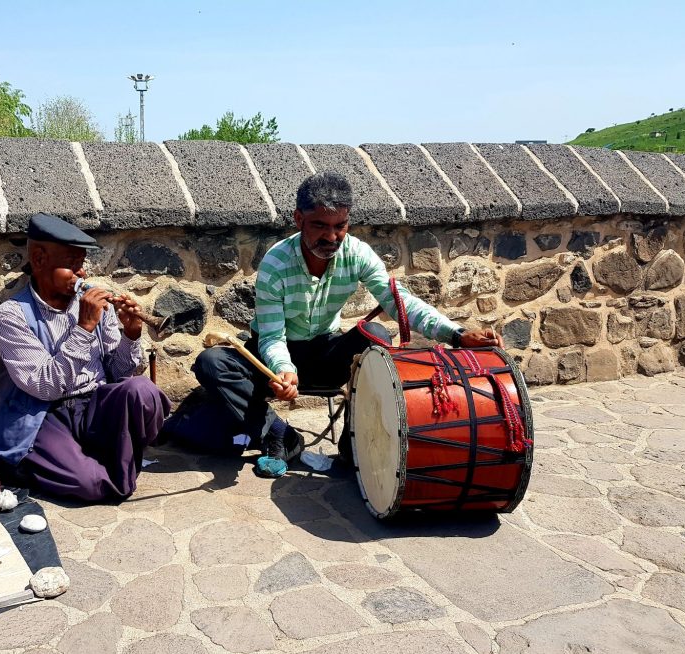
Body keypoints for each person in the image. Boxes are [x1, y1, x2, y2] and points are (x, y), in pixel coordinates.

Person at [193, 171, 499, 478]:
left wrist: (456, 335)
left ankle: (355, 446)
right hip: (271, 360)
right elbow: (272, 336)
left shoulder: (357, 254)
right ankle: (278, 433)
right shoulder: (276, 262)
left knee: (376, 336)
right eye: (320, 226)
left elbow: (399, 302)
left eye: (340, 226)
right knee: (212, 362)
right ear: (299, 219)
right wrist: (284, 370)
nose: (331, 237)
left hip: (324, 352)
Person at [0, 213, 170, 502]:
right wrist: (84, 328)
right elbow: (45, 387)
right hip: (45, 414)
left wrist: (131, 334)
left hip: (93, 404)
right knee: (90, 485)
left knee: (144, 391)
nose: (81, 274)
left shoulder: (97, 306)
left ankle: (92, 460)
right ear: (39, 259)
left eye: (81, 264)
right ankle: (83, 465)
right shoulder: (11, 315)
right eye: (71, 265)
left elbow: (121, 376)